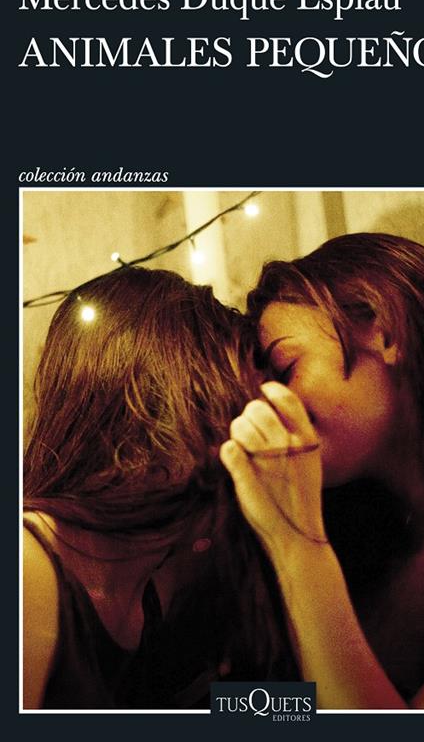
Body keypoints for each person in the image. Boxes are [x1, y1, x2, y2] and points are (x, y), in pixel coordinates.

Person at [220, 232, 424, 709]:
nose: (272, 404)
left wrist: (296, 541)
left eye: (286, 369)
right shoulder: (364, 555)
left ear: (388, 332)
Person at [23, 266, 296, 710]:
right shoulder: (28, 566)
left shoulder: (156, 574)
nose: (250, 429)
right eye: (233, 404)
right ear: (152, 412)